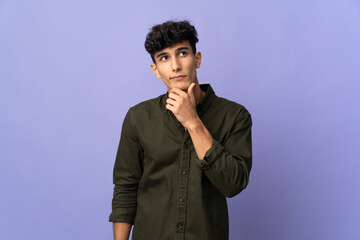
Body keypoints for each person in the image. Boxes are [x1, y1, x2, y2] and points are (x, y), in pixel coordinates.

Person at [109, 20, 252, 240]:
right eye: (164, 58)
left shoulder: (234, 116)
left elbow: (233, 184)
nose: (175, 65)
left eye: (182, 53)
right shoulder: (138, 118)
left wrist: (193, 122)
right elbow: (125, 189)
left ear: (197, 59)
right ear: (156, 70)